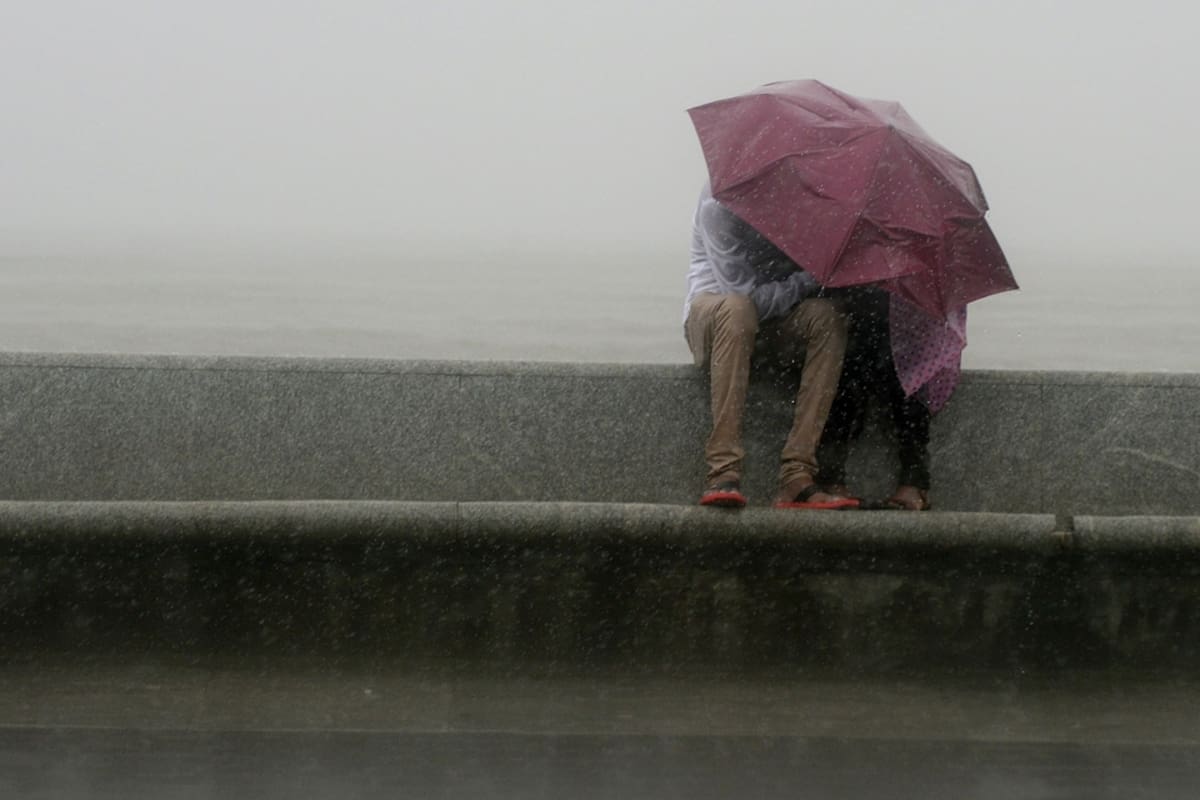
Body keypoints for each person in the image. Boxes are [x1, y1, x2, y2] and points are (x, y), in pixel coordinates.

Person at [684, 183, 857, 509]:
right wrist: (811, 278)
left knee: (827, 317)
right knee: (738, 309)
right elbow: (747, 298)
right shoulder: (718, 202)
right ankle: (723, 470)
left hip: (771, 325)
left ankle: (797, 475)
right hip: (713, 314)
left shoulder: (802, 202)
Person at [815, 289, 966, 510]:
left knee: (907, 368)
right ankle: (832, 476)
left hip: (912, 325)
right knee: (852, 363)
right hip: (861, 318)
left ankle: (913, 480)